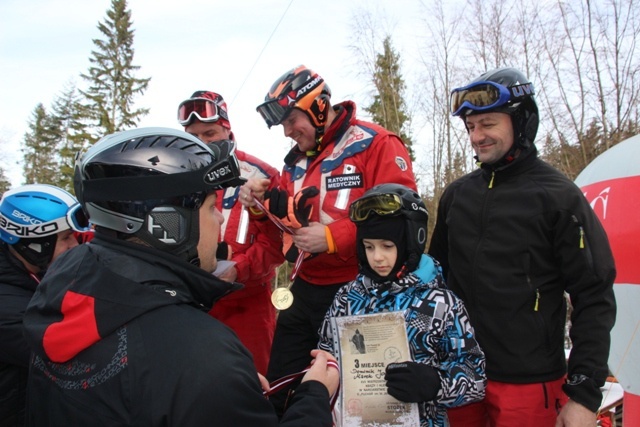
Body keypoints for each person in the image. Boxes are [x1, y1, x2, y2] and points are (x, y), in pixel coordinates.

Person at [21, 127, 339, 426]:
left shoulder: (61, 282)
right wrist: (313, 397)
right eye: (212, 205)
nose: (219, 217)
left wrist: (226, 393)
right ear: (169, 226)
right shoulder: (203, 357)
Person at [428, 67, 616, 426]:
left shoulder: (558, 198)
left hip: (528, 384)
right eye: (470, 127)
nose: (476, 136)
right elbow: (435, 286)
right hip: (457, 377)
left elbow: (594, 296)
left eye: (488, 124)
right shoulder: (457, 196)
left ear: (521, 122)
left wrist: (584, 395)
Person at [240, 65, 418, 416]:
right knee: (281, 391)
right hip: (304, 291)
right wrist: (261, 209)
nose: (288, 132)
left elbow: (402, 218)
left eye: (292, 121)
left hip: (364, 291)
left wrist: (333, 237)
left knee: (366, 404)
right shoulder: (294, 165)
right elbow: (281, 245)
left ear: (318, 106)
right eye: (284, 126)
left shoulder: (376, 143)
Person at [318, 183, 486, 426]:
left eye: (387, 246)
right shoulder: (346, 298)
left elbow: (475, 376)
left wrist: (437, 384)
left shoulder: (441, 304)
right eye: (368, 247)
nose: (376, 257)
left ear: (411, 243)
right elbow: (325, 356)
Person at [178, 90, 284, 374]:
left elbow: (277, 244)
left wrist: (240, 268)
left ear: (227, 130)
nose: (201, 142)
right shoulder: (175, 175)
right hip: (189, 302)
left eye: (210, 133)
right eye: (193, 134)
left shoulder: (261, 174)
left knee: (254, 388)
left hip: (246, 303)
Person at [0, 184, 91, 427]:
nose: (75, 245)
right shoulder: (7, 307)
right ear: (34, 244)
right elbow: (70, 356)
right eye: (65, 238)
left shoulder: (31, 274)